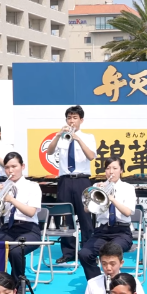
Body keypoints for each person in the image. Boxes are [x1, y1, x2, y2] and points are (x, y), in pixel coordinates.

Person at [0, 152, 43, 281]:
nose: (11, 171)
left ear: (22, 166)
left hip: (29, 229)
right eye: (7, 167)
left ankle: (18, 283)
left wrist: (11, 199)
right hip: (8, 228)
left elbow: (31, 212)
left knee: (15, 250)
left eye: (14, 166)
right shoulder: (3, 186)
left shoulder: (32, 186)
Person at [78, 157, 138, 281]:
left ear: (121, 170)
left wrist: (112, 199)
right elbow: (86, 210)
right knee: (84, 254)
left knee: (111, 253)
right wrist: (98, 193)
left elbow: (127, 212)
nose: (111, 172)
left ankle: (114, 283)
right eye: (108, 168)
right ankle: (97, 283)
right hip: (102, 231)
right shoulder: (97, 186)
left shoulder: (128, 188)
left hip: (122, 232)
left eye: (115, 168)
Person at [54, 105, 98, 264]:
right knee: (65, 218)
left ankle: (87, 251)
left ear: (81, 120)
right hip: (65, 180)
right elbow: (50, 151)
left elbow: (91, 156)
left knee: (85, 217)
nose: (71, 121)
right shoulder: (62, 137)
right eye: (69, 118)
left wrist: (78, 139)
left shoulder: (88, 136)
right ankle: (68, 252)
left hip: (82, 180)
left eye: (74, 118)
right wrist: (58, 135)